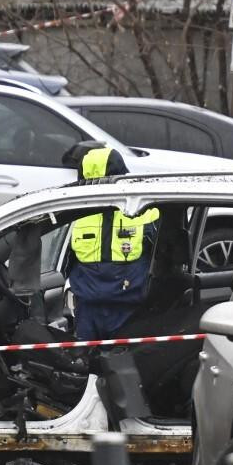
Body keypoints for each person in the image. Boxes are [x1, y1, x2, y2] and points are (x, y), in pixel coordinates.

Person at [64, 144, 159, 340]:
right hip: (115, 308)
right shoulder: (148, 212)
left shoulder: (72, 213)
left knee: (88, 357)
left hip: (108, 310)